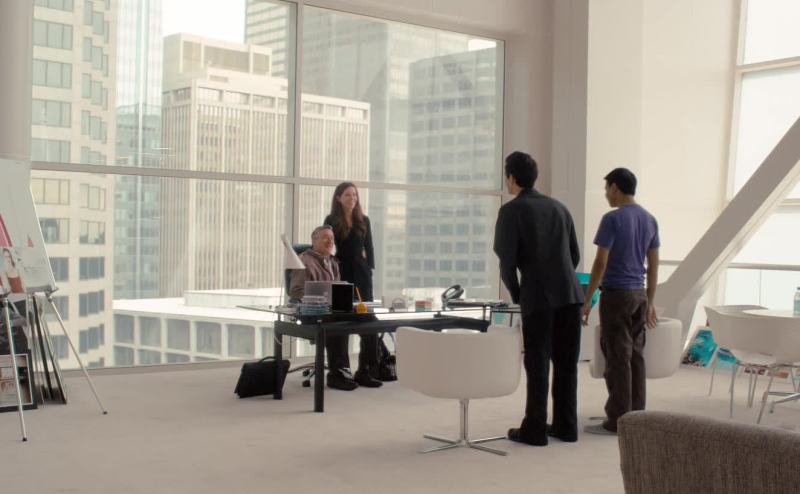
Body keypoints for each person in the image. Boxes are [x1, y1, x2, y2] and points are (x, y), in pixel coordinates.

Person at [493, 151, 583, 446]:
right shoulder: (559, 207)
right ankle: (566, 426)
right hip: (571, 294)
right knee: (567, 364)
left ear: (512, 178)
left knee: (538, 363)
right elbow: (574, 256)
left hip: (538, 296)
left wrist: (519, 295)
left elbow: (506, 263)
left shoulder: (511, 211)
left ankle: (535, 429)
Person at [581, 167, 660, 435]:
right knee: (636, 356)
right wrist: (650, 301)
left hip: (616, 295)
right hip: (639, 295)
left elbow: (600, 262)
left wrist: (588, 298)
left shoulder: (612, 219)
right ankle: (636, 417)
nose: (606, 195)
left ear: (615, 187)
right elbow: (654, 265)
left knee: (617, 358)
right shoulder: (650, 219)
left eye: (606, 189)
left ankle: (617, 420)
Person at [324, 182, 384, 388]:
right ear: (338, 198)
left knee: (369, 324)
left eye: (355, 195)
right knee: (339, 325)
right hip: (341, 275)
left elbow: (369, 248)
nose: (353, 198)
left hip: (362, 276)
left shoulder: (363, 220)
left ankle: (365, 371)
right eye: (348, 195)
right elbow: (327, 247)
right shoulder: (331, 220)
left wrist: (369, 269)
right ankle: (338, 374)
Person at [289, 225, 360, 391]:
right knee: (337, 323)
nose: (330, 241)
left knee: (369, 318)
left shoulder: (333, 262)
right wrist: (318, 300)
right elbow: (295, 291)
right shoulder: (303, 261)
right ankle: (337, 376)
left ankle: (368, 369)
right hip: (313, 312)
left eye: (332, 238)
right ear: (314, 241)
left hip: (333, 309)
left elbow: (336, 291)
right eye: (325, 237)